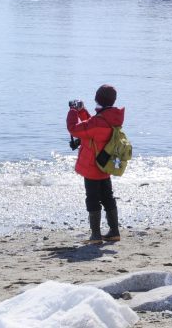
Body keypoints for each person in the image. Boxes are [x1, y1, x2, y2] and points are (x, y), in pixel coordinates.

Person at [67, 84, 124, 244]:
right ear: (113, 101)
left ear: (97, 99)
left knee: (92, 199)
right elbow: (92, 124)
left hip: (92, 166)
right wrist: (81, 111)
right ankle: (114, 231)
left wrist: (72, 111)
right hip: (105, 165)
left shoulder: (98, 122)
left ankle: (96, 235)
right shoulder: (112, 118)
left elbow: (74, 129)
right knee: (107, 197)